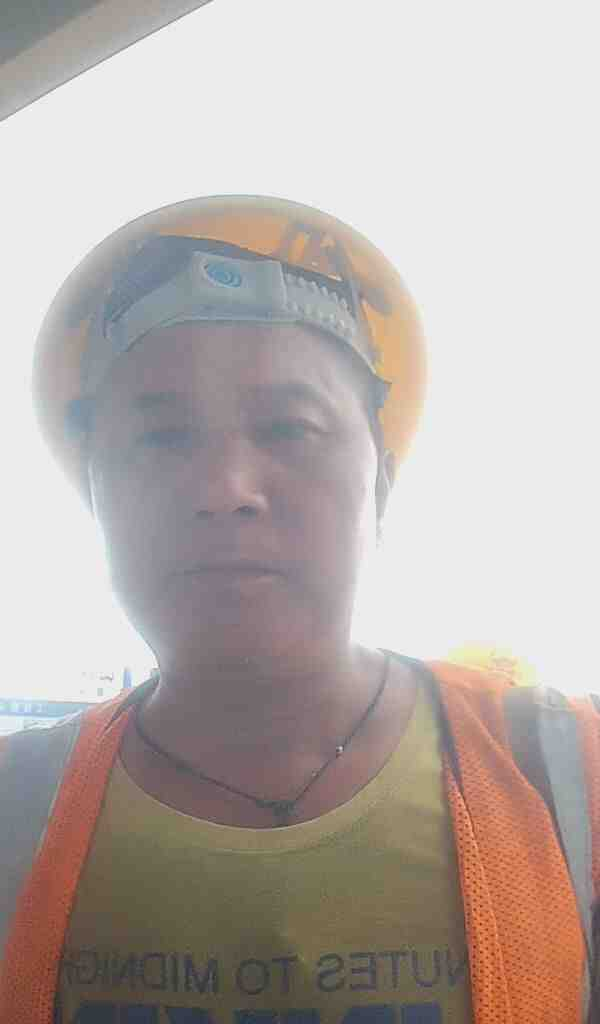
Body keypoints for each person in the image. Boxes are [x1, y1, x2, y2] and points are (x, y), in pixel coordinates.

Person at [1, 196, 598, 1023]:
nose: (226, 489)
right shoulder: (14, 807)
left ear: (379, 485)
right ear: (96, 493)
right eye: (162, 438)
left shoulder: (571, 779)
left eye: (289, 429)